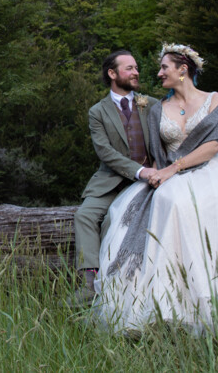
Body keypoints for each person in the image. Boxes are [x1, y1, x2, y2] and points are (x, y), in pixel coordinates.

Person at [92, 43, 218, 336]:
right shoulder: (158, 109)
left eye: (164, 67)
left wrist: (175, 169)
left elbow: (216, 143)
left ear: (183, 70)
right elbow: (157, 153)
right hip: (169, 174)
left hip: (210, 170)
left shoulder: (214, 99)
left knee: (202, 203)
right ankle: (169, 307)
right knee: (166, 200)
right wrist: (156, 176)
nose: (158, 73)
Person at [71, 50, 159, 305]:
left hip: (149, 182)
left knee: (118, 221)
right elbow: (105, 152)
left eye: (136, 67)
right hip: (111, 181)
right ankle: (89, 283)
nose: (136, 72)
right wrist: (139, 170)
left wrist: (154, 170)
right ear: (112, 73)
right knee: (85, 215)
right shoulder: (97, 112)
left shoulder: (151, 104)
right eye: (129, 68)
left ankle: (122, 285)